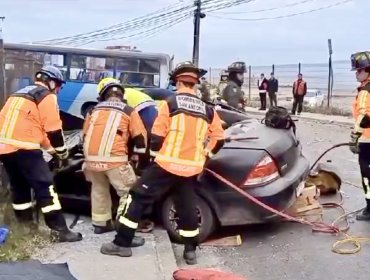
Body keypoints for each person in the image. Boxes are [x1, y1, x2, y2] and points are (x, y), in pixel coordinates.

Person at [100, 61, 225, 265]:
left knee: (137, 197)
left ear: (177, 81)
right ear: (195, 83)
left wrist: (152, 161)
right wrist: (204, 155)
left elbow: (157, 136)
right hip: (192, 167)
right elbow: (219, 138)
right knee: (186, 206)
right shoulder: (208, 110)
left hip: (166, 165)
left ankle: (122, 243)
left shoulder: (170, 103)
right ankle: (190, 251)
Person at [0, 65, 82, 242]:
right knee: (46, 188)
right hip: (25, 150)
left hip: (5, 150)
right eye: (59, 86)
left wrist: (51, 150)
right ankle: (60, 230)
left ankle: (26, 227)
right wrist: (62, 153)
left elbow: (37, 130)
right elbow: (53, 129)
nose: (59, 90)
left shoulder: (18, 95)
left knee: (19, 187)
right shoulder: (46, 96)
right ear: (52, 83)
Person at [82, 78, 148, 239]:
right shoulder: (128, 110)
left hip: (91, 160)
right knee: (128, 192)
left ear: (103, 96)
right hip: (114, 159)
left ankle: (101, 224)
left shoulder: (93, 110)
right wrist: (138, 160)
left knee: (98, 189)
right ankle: (123, 227)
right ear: (121, 95)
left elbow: (84, 135)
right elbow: (140, 138)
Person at [349, 51, 370, 221]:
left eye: (358, 70)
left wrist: (354, 137)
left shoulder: (365, 92)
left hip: (367, 140)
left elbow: (364, 117)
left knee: (367, 176)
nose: (356, 74)